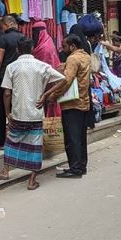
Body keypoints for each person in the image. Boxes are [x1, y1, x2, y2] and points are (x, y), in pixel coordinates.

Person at [0, 37, 64, 189]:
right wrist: (45, 95)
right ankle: (32, 181)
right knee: (35, 145)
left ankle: (5, 172)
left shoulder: (12, 67)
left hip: (18, 112)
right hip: (36, 113)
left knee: (12, 141)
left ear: (18, 50)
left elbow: (7, 93)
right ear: (32, 48)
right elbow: (62, 79)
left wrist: (7, 113)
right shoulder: (41, 66)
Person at [39, 34, 91, 178]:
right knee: (80, 137)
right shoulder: (85, 56)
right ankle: (81, 166)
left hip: (71, 104)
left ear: (72, 46)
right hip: (83, 102)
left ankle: (74, 169)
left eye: (65, 46)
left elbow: (66, 81)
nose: (62, 49)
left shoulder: (72, 58)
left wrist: (53, 96)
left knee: (72, 138)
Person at [0, 15, 24, 147]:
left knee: (1, 110)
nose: (1, 29)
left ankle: (2, 142)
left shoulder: (4, 39)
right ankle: (20, 140)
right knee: (18, 107)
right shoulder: (23, 38)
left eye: (2, 27)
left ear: (7, 24)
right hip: (20, 77)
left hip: (4, 78)